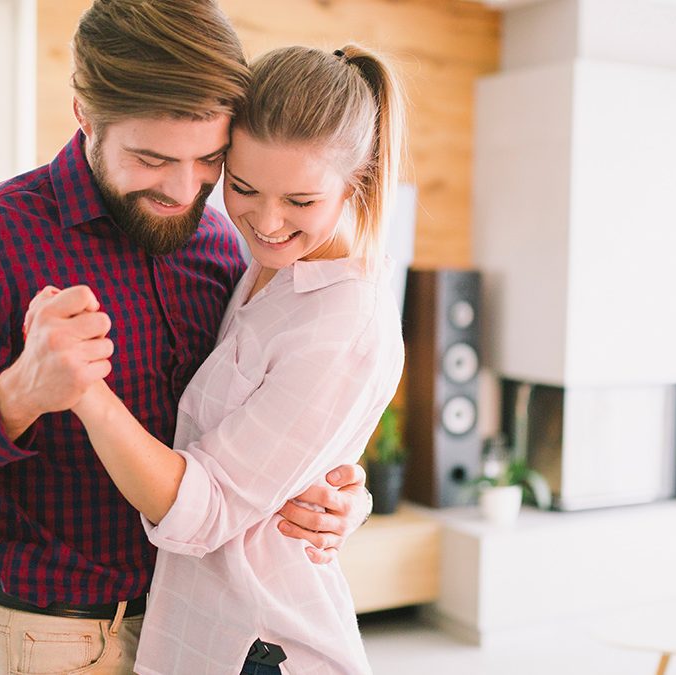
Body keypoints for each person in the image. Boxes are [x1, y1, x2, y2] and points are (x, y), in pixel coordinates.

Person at [0, 1, 371, 672]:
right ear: (84, 114)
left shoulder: (223, 247)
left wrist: (333, 494)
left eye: (209, 159)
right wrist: (13, 398)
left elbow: (234, 445)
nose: (184, 190)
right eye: (151, 157)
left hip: (188, 636)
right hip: (31, 641)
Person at [27, 42, 406, 674]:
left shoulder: (345, 320)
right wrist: (340, 489)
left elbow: (202, 516)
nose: (267, 220)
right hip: (204, 636)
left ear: (357, 183)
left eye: (301, 202)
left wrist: (85, 388)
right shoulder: (259, 268)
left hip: (261, 647)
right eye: (246, 187)